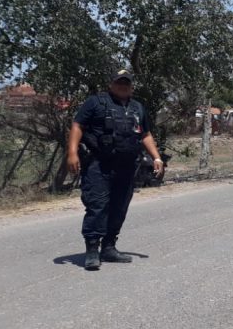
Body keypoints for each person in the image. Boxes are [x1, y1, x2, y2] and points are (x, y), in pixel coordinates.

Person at [66, 69, 163, 270]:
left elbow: (145, 134)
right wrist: (72, 152)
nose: (122, 86)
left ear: (131, 87)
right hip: (99, 164)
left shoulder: (137, 108)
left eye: (126, 83)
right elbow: (78, 126)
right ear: (111, 84)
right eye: (119, 82)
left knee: (119, 206)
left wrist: (156, 157)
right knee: (97, 205)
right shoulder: (96, 103)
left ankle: (109, 247)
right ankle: (92, 250)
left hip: (126, 166)